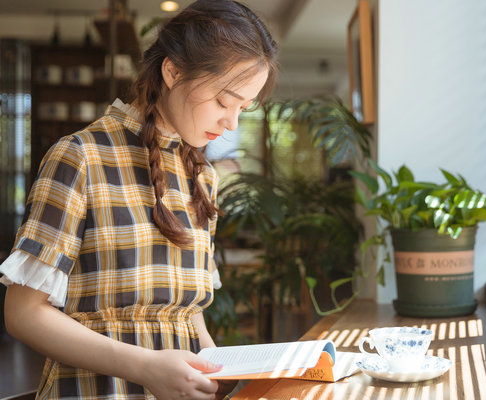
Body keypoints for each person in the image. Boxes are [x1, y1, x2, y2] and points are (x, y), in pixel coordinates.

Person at [0, 0, 278, 398]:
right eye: (223, 101)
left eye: (243, 109)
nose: (231, 122)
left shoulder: (203, 177)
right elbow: (23, 315)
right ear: (173, 71)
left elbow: (186, 311)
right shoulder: (81, 157)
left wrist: (214, 366)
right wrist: (146, 367)